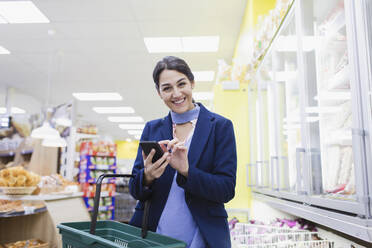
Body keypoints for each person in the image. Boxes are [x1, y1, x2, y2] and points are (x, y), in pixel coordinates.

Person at [129, 56, 237, 248]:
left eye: (181, 84)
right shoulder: (152, 129)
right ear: (159, 93)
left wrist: (187, 171)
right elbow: (135, 189)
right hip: (155, 235)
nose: (176, 93)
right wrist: (147, 176)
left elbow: (226, 190)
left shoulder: (220, 127)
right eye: (167, 88)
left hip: (202, 237)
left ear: (192, 83)